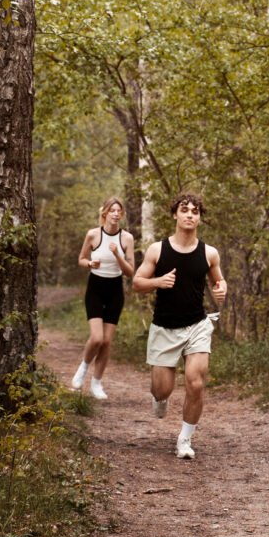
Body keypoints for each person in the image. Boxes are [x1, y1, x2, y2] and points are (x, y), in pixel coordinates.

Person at [132, 192, 227, 459]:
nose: (189, 215)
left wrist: (221, 290)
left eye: (195, 211)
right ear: (175, 214)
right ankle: (159, 398)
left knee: (196, 383)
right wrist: (157, 282)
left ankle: (184, 440)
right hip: (165, 327)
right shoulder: (157, 250)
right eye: (184, 210)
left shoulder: (209, 253)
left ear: (199, 218)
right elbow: (137, 282)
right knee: (162, 388)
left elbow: (219, 281)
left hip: (197, 325)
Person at [71, 196, 135, 400]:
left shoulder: (126, 239)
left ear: (122, 215)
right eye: (112, 210)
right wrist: (90, 264)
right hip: (96, 288)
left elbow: (130, 272)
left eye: (119, 211)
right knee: (97, 338)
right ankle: (83, 368)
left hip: (115, 289)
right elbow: (81, 259)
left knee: (107, 342)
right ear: (105, 213)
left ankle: (96, 383)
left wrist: (118, 255)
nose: (116, 214)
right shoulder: (93, 234)